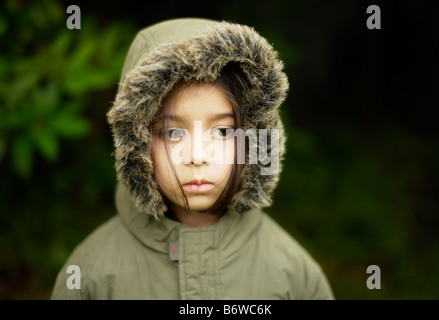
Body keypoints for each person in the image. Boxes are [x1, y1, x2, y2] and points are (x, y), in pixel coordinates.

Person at [50, 17, 334, 300]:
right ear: (137, 145)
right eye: (172, 133)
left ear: (254, 141)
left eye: (223, 132)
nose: (198, 156)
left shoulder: (295, 276)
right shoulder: (90, 274)